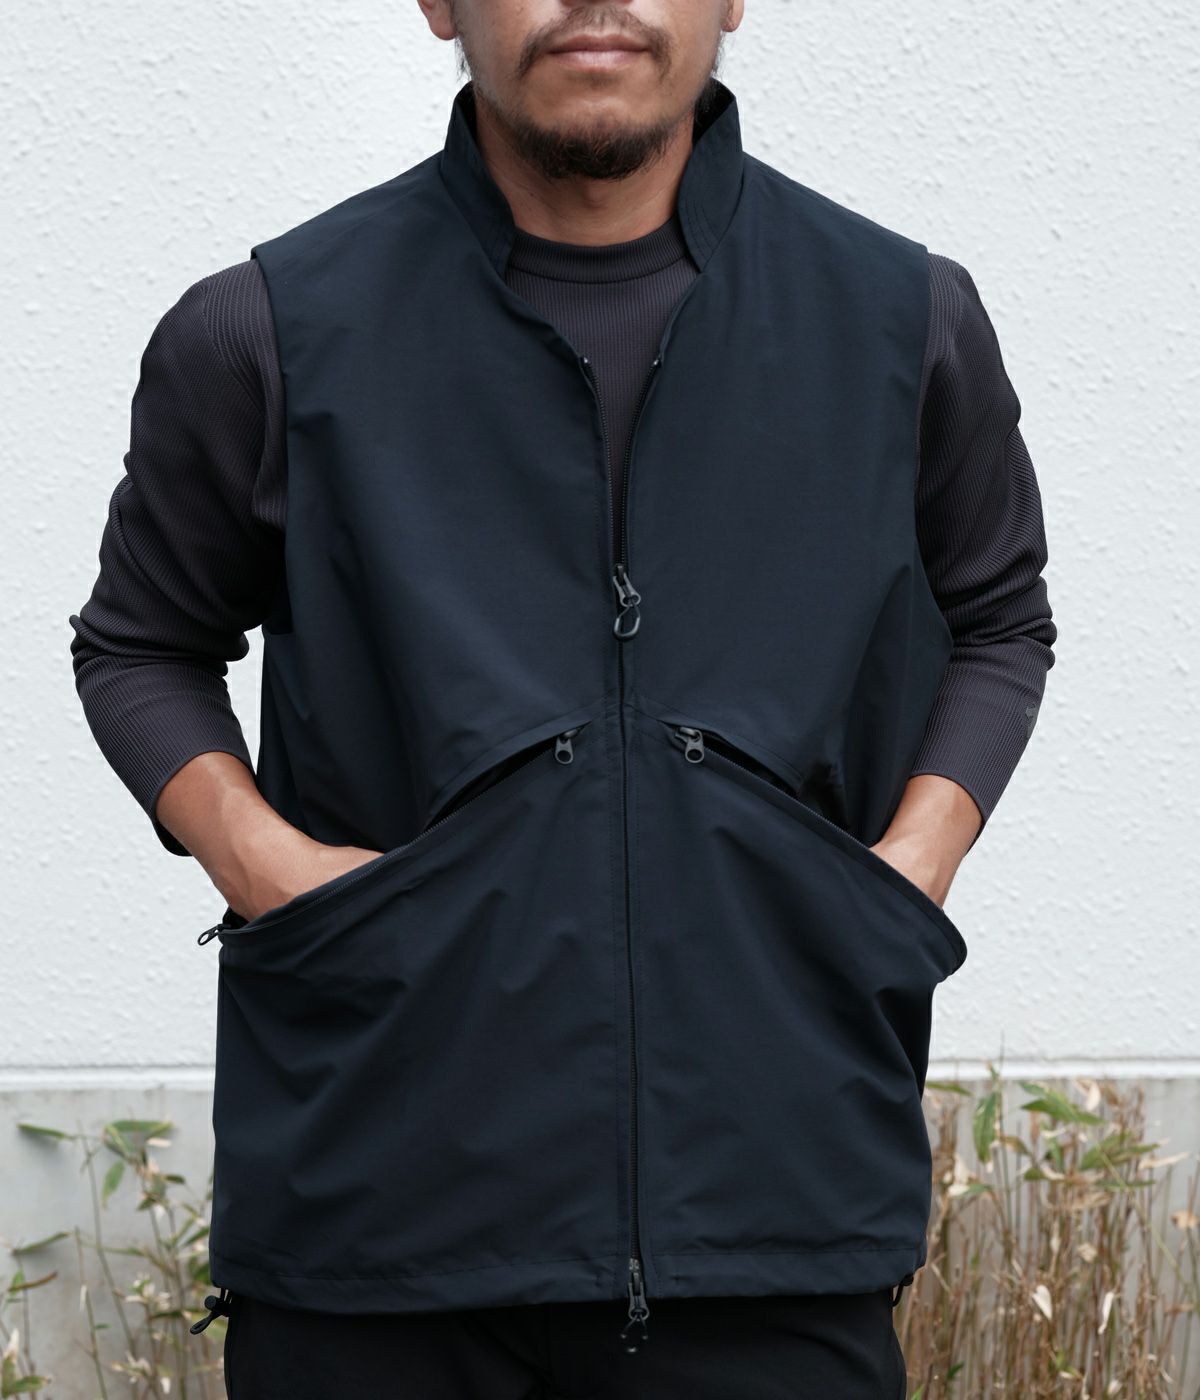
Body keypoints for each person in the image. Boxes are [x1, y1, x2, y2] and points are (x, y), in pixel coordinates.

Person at [67, 1, 1057, 1395]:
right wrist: (271, 869)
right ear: (437, 2)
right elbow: (139, 646)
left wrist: (909, 867)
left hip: (778, 1212)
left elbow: (1000, 617)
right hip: (376, 1222)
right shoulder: (269, 328)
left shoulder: (902, 321)